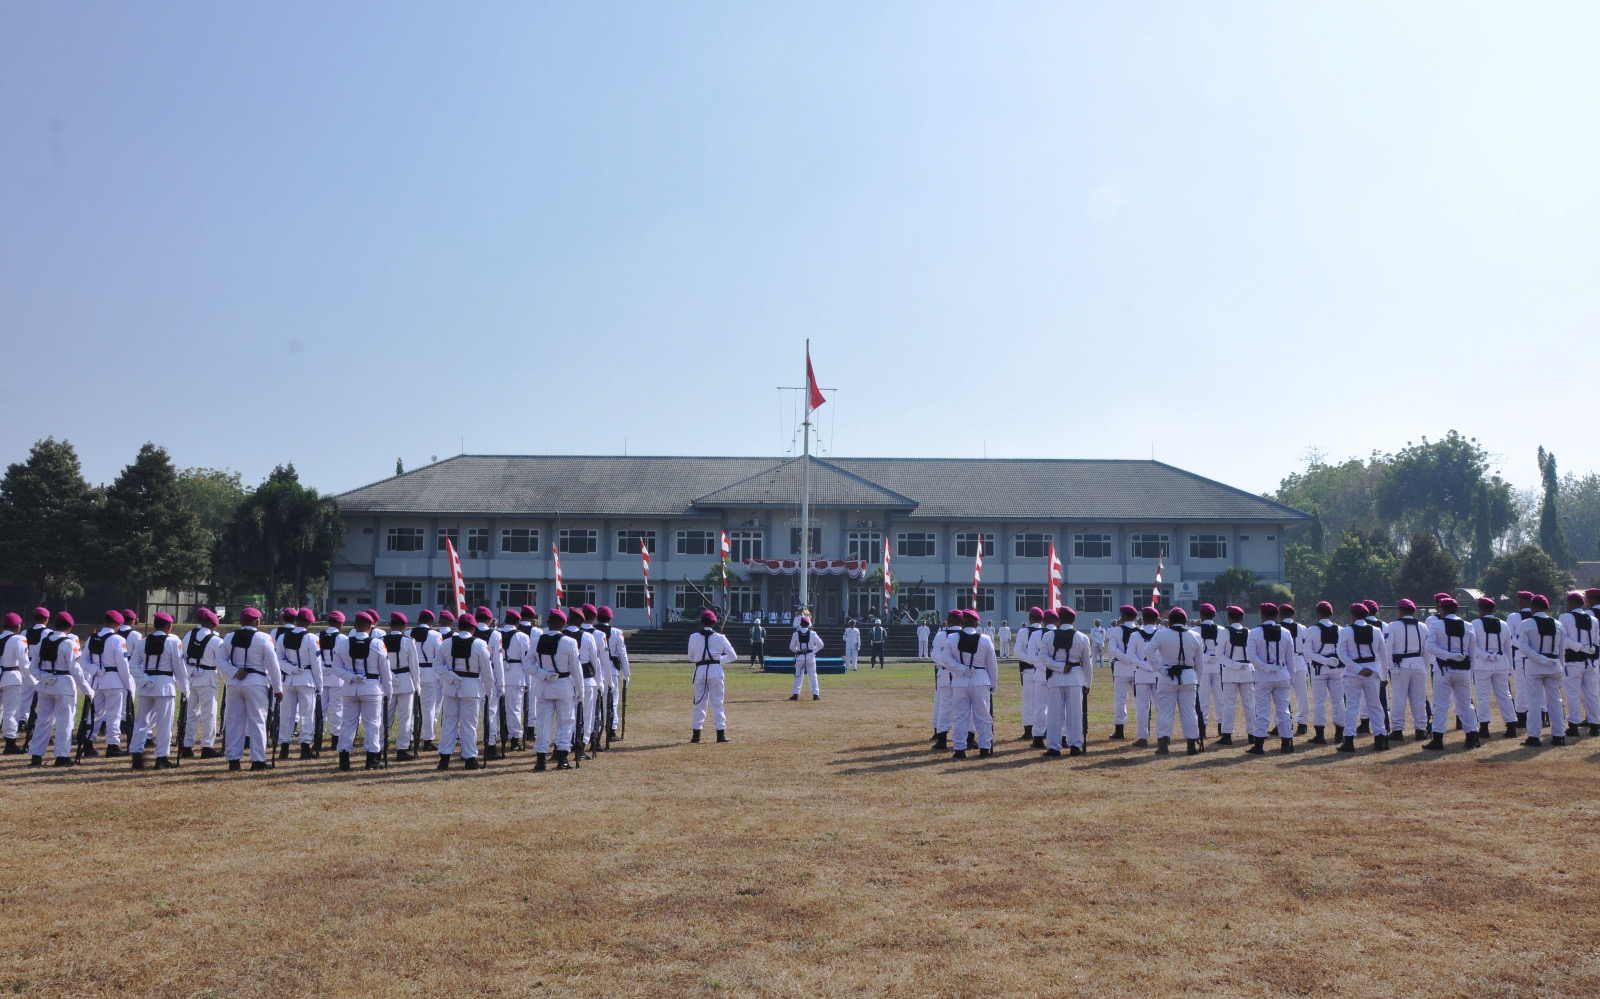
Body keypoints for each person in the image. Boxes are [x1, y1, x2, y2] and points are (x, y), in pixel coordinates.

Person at [220, 607, 283, 771]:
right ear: (258, 622)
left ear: (241, 622)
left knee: (234, 722)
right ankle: (258, 760)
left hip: (234, 683)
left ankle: (233, 760)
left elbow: (220, 661)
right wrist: (278, 687)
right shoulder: (264, 638)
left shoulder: (229, 637)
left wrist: (234, 671)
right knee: (257, 722)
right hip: (256, 682)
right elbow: (273, 664)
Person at [127, 613, 189, 769]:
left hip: (146, 686)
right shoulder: (173, 642)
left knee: (141, 722)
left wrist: (144, 680)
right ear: (169, 626)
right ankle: (161, 757)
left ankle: (136, 754)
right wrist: (185, 689)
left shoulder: (142, 642)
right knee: (164, 724)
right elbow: (180, 669)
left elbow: (133, 665)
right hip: (164, 685)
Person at [332, 611, 392, 771]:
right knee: (372, 724)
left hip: (350, 688)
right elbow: (385, 671)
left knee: (347, 724)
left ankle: (344, 760)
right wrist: (388, 692)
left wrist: (351, 677)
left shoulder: (343, 644)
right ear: (370, 627)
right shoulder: (377, 644)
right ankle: (371, 760)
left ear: (354, 626)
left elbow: (336, 668)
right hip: (372, 688)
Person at [26, 612, 88, 766]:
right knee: (65, 722)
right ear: (70, 627)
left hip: (46, 685)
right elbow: (76, 670)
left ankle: (36, 755)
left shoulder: (43, 642)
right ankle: (62, 756)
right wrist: (87, 689)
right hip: (64, 685)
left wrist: (43, 676)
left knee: (43, 721)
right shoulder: (69, 644)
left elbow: (32, 667)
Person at [1142, 606, 1204, 755]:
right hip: (1189, 677)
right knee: (1189, 712)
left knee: (1164, 712)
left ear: (1169, 621)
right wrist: (1198, 680)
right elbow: (1199, 663)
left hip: (1168, 676)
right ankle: (1191, 745)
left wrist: (1160, 668)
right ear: (1185, 620)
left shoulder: (1161, 634)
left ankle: (1163, 745)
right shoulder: (1195, 635)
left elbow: (1148, 650)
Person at [436, 611, 494, 769]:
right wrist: (489, 691)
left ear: (458, 626)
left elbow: (437, 665)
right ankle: (469, 759)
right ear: (473, 629)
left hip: (451, 687)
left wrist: (449, 675)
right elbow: (487, 672)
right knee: (469, 725)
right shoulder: (480, 644)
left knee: (448, 723)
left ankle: (444, 759)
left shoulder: (446, 643)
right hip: (471, 688)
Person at [1424, 596, 1478, 750]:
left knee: (1440, 705)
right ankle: (1471, 737)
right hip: (1463, 670)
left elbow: (1429, 647)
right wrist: (1470, 673)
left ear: (1442, 609)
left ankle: (1438, 739)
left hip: (1443, 669)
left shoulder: (1436, 624)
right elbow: (1472, 653)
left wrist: (1448, 655)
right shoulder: (1468, 626)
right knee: (1466, 705)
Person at [529, 608, 580, 768]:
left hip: (544, 686)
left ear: (548, 623)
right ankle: (562, 758)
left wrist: (543, 674)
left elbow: (527, 664)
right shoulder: (570, 642)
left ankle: (541, 760)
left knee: (543, 723)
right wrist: (580, 690)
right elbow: (576, 669)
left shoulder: (537, 641)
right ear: (564, 624)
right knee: (566, 722)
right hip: (564, 686)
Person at [943, 609, 997, 759]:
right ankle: (985, 747)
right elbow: (992, 665)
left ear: (962, 623)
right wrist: (993, 684)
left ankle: (959, 748)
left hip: (960, 681)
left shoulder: (952, 638)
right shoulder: (985, 639)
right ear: (977, 624)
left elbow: (945, 658)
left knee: (960, 716)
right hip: (980, 679)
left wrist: (961, 669)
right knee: (983, 715)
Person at [1038, 606, 1092, 756]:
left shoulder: (1048, 636)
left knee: (1054, 714)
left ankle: (1054, 747)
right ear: (1074, 620)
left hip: (1055, 677)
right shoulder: (1082, 637)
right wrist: (1087, 683)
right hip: (1075, 677)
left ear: (1059, 619)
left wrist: (1059, 667)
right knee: (1075, 714)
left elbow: (1042, 657)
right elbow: (1087, 664)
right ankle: (1075, 745)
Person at [1338, 603, 1390, 752]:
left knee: (1352, 707)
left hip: (1353, 673)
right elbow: (1383, 656)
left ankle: (1349, 741)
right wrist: (1384, 676)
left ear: (1353, 616)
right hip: (1372, 672)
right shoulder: (1376, 630)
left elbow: (1342, 654)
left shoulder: (1346, 631)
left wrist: (1358, 669)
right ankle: (1380, 739)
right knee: (1375, 706)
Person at [81, 610, 133, 757]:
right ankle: (112, 745)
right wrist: (128, 684)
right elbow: (123, 664)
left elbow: (83, 662)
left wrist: (95, 670)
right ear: (117, 624)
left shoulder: (92, 638)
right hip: (114, 681)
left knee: (95, 714)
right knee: (114, 714)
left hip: (97, 681)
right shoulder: (118, 640)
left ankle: (88, 742)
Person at [1246, 602, 1296, 753]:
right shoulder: (1286, 633)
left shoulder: (1254, 632)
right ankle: (1286, 743)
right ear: (1276, 616)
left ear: (1262, 616)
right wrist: (1291, 678)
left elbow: (1251, 656)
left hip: (1263, 676)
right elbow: (1290, 659)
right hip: (1282, 675)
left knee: (1262, 711)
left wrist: (1265, 667)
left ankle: (1259, 744)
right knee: (1284, 711)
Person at [274, 608, 324, 759]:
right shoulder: (311, 638)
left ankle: (284, 747)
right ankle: (305, 747)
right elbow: (316, 665)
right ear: (309, 623)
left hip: (288, 679)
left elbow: (278, 659)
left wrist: (290, 668)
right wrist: (320, 686)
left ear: (296, 621)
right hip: (306, 679)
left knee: (286, 714)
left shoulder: (282, 637)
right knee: (306, 715)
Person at [1519, 594, 1567, 746]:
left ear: (1532, 607)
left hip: (1535, 666)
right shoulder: (1558, 624)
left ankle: (1534, 736)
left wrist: (1540, 659)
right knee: (1555, 701)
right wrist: (1559, 666)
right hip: (1554, 665)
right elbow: (1562, 650)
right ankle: (1559, 735)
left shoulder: (1527, 623)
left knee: (1534, 701)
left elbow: (1523, 647)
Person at [179, 608, 224, 758]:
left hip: (191, 677)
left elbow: (183, 658)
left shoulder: (188, 637)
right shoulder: (216, 641)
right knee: (209, 714)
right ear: (214, 625)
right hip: (208, 678)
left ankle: (187, 746)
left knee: (191, 714)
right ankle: (207, 747)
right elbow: (220, 662)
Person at [1300, 601, 1345, 745]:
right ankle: (1340, 734)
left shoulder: (1312, 630)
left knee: (1319, 702)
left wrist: (1325, 661)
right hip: (1337, 669)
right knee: (1338, 701)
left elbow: (1308, 652)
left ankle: (1320, 735)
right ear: (1331, 614)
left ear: (1318, 614)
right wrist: (1333, 661)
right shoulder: (1340, 629)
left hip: (1319, 670)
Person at [1386, 599, 1431, 741]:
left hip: (1401, 665)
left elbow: (1388, 649)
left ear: (1400, 611)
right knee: (1419, 699)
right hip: (1418, 664)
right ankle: (1421, 729)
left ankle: (1397, 730)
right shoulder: (1423, 627)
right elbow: (1426, 651)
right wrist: (1425, 667)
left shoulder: (1393, 626)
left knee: (1399, 699)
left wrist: (1391, 667)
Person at [688, 608, 735, 742]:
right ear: (714, 623)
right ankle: (720, 734)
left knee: (699, 704)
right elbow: (733, 656)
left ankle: (696, 735)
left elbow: (691, 657)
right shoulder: (721, 638)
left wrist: (703, 659)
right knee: (717, 703)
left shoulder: (693, 637)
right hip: (715, 672)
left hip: (700, 672)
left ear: (701, 622)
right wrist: (717, 660)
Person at [1558, 591, 1599, 737]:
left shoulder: (1564, 617)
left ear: (1571, 603)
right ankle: (1595, 725)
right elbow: (1596, 640)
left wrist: (1579, 647)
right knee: (1592, 693)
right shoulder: (1593, 619)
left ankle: (1574, 725)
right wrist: (1588, 649)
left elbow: (1563, 639)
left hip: (1573, 660)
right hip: (1591, 661)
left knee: (1572, 693)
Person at [381, 612, 421, 761]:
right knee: (406, 717)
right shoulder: (409, 642)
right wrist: (417, 686)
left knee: (385, 716)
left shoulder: (380, 640)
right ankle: (402, 748)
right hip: (405, 681)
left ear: (390, 625)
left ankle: (379, 746)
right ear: (404, 626)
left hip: (387, 680)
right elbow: (414, 666)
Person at [495, 608, 529, 752]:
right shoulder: (522, 637)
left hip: (498, 674)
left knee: (496, 709)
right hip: (516, 675)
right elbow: (526, 660)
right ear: (517, 622)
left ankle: (496, 735)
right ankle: (514, 739)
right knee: (514, 708)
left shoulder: (496, 634)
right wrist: (528, 681)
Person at [1108, 605, 1144, 740]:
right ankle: (1142, 730)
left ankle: (1119, 730)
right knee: (1140, 700)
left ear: (1123, 616)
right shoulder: (1140, 631)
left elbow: (1113, 649)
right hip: (1137, 669)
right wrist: (1133, 660)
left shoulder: (1115, 630)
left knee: (1120, 700)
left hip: (1121, 668)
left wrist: (1125, 659)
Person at [0, 613, 32, 754]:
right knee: (11, 711)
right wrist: (33, 682)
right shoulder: (19, 639)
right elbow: (24, 663)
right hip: (11, 677)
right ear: (18, 626)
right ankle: (10, 743)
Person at [412, 609, 443, 751]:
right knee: (429, 708)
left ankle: (410, 737)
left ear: (419, 620)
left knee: (411, 708)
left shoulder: (409, 633)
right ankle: (427, 739)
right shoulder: (436, 635)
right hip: (430, 673)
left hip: (413, 672)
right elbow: (440, 655)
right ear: (432, 622)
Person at [930, 610, 961, 749]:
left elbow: (934, 654)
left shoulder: (941, 635)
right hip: (962, 674)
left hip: (945, 674)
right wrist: (957, 666)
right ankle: (968, 738)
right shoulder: (966, 635)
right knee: (965, 707)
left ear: (949, 620)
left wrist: (948, 664)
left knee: (944, 706)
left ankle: (942, 739)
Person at [1015, 606, 1046, 745]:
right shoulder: (1046, 632)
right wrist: (1038, 662)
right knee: (1044, 702)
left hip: (1028, 670)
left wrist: (1031, 660)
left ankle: (1028, 730)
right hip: (1043, 670)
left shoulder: (1023, 632)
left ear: (1030, 618)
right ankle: (1044, 729)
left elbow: (1017, 652)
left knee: (1028, 701)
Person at [1194, 604, 1224, 739]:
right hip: (1219, 665)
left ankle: (1202, 727)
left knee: (1203, 698)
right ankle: (1222, 727)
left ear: (1201, 615)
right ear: (1214, 615)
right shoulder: (1222, 630)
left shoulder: (1195, 630)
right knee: (1220, 698)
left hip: (1203, 665)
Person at [1279, 603, 1310, 735]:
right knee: (1302, 695)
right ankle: (1302, 723)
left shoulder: (1278, 628)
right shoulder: (1302, 628)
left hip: (1283, 662)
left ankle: (1283, 721)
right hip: (1299, 661)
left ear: (1280, 614)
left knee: (1282, 694)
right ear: (1293, 614)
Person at [318, 610, 346, 752]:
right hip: (337, 677)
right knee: (337, 709)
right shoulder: (343, 639)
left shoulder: (317, 636)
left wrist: (323, 667)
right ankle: (335, 740)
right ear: (341, 624)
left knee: (320, 710)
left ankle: (318, 739)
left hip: (321, 676)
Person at [788, 615, 824, 700]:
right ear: (808, 624)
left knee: (798, 675)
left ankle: (795, 694)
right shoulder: (813, 634)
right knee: (813, 676)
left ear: (800, 624)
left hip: (800, 656)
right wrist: (813, 651)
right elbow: (821, 644)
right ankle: (815, 695)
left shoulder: (795, 634)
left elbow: (791, 647)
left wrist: (797, 651)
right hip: (810, 656)